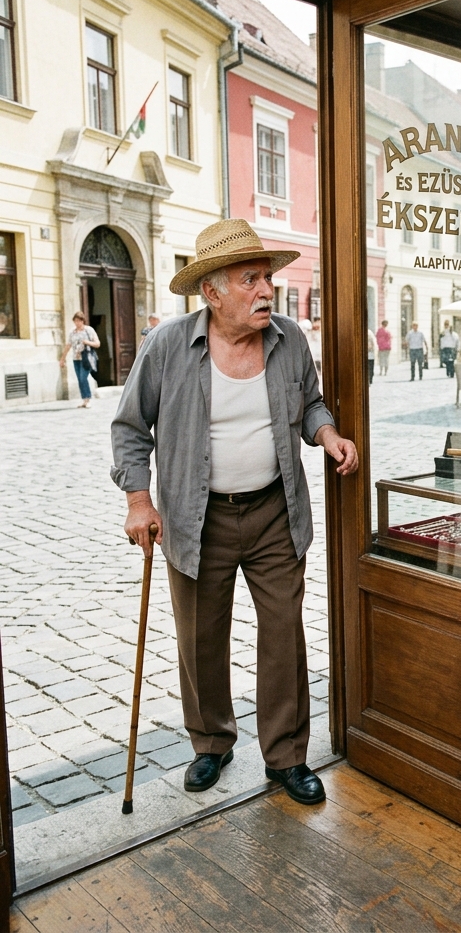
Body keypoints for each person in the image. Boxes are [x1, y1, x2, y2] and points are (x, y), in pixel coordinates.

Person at [110, 218, 358, 805]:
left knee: (282, 634)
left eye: (267, 278)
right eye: (251, 280)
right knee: (201, 636)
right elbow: (129, 427)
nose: (266, 291)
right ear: (212, 292)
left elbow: (311, 403)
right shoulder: (168, 346)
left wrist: (326, 436)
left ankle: (286, 756)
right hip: (197, 516)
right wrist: (139, 500)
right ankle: (211, 743)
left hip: (275, 511)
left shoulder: (288, 339)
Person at [59, 310, 101, 408]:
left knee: (83, 378)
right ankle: (84, 400)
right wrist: (62, 359)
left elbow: (97, 344)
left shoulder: (89, 330)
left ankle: (88, 398)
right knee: (80, 379)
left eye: (79, 321)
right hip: (76, 359)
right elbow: (68, 345)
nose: (77, 323)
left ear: (83, 321)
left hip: (86, 358)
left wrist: (87, 342)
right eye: (75, 321)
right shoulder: (72, 332)